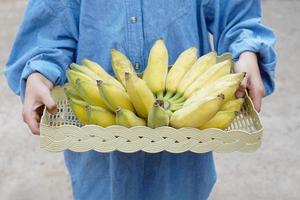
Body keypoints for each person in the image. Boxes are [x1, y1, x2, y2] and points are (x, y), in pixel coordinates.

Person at [5, 0, 276, 199]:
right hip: (100, 145)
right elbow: (52, 28)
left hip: (183, 146)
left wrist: (246, 53)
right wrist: (38, 74)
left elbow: (235, 14)